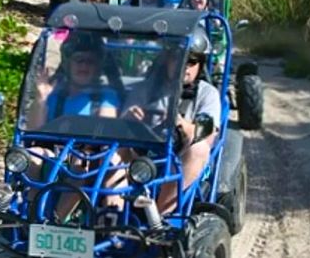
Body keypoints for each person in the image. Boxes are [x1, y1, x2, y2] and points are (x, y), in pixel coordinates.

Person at [121, 26, 221, 214]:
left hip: (180, 158)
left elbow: (207, 136)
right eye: (178, 58)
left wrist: (179, 122)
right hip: (142, 156)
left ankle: (159, 219)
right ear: (167, 60)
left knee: (199, 149)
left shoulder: (207, 94)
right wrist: (129, 117)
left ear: (200, 64)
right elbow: (119, 126)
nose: (184, 66)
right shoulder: (146, 89)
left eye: (191, 61)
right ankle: (110, 211)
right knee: (112, 147)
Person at [25, 31, 122, 220]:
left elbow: (106, 129)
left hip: (89, 154)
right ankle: (30, 213)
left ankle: (55, 222)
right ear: (68, 63)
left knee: (79, 169)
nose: (84, 65)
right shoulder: (55, 95)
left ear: (99, 66)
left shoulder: (105, 97)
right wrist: (41, 99)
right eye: (79, 60)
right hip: (55, 151)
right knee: (32, 156)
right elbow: (32, 132)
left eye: (90, 61)